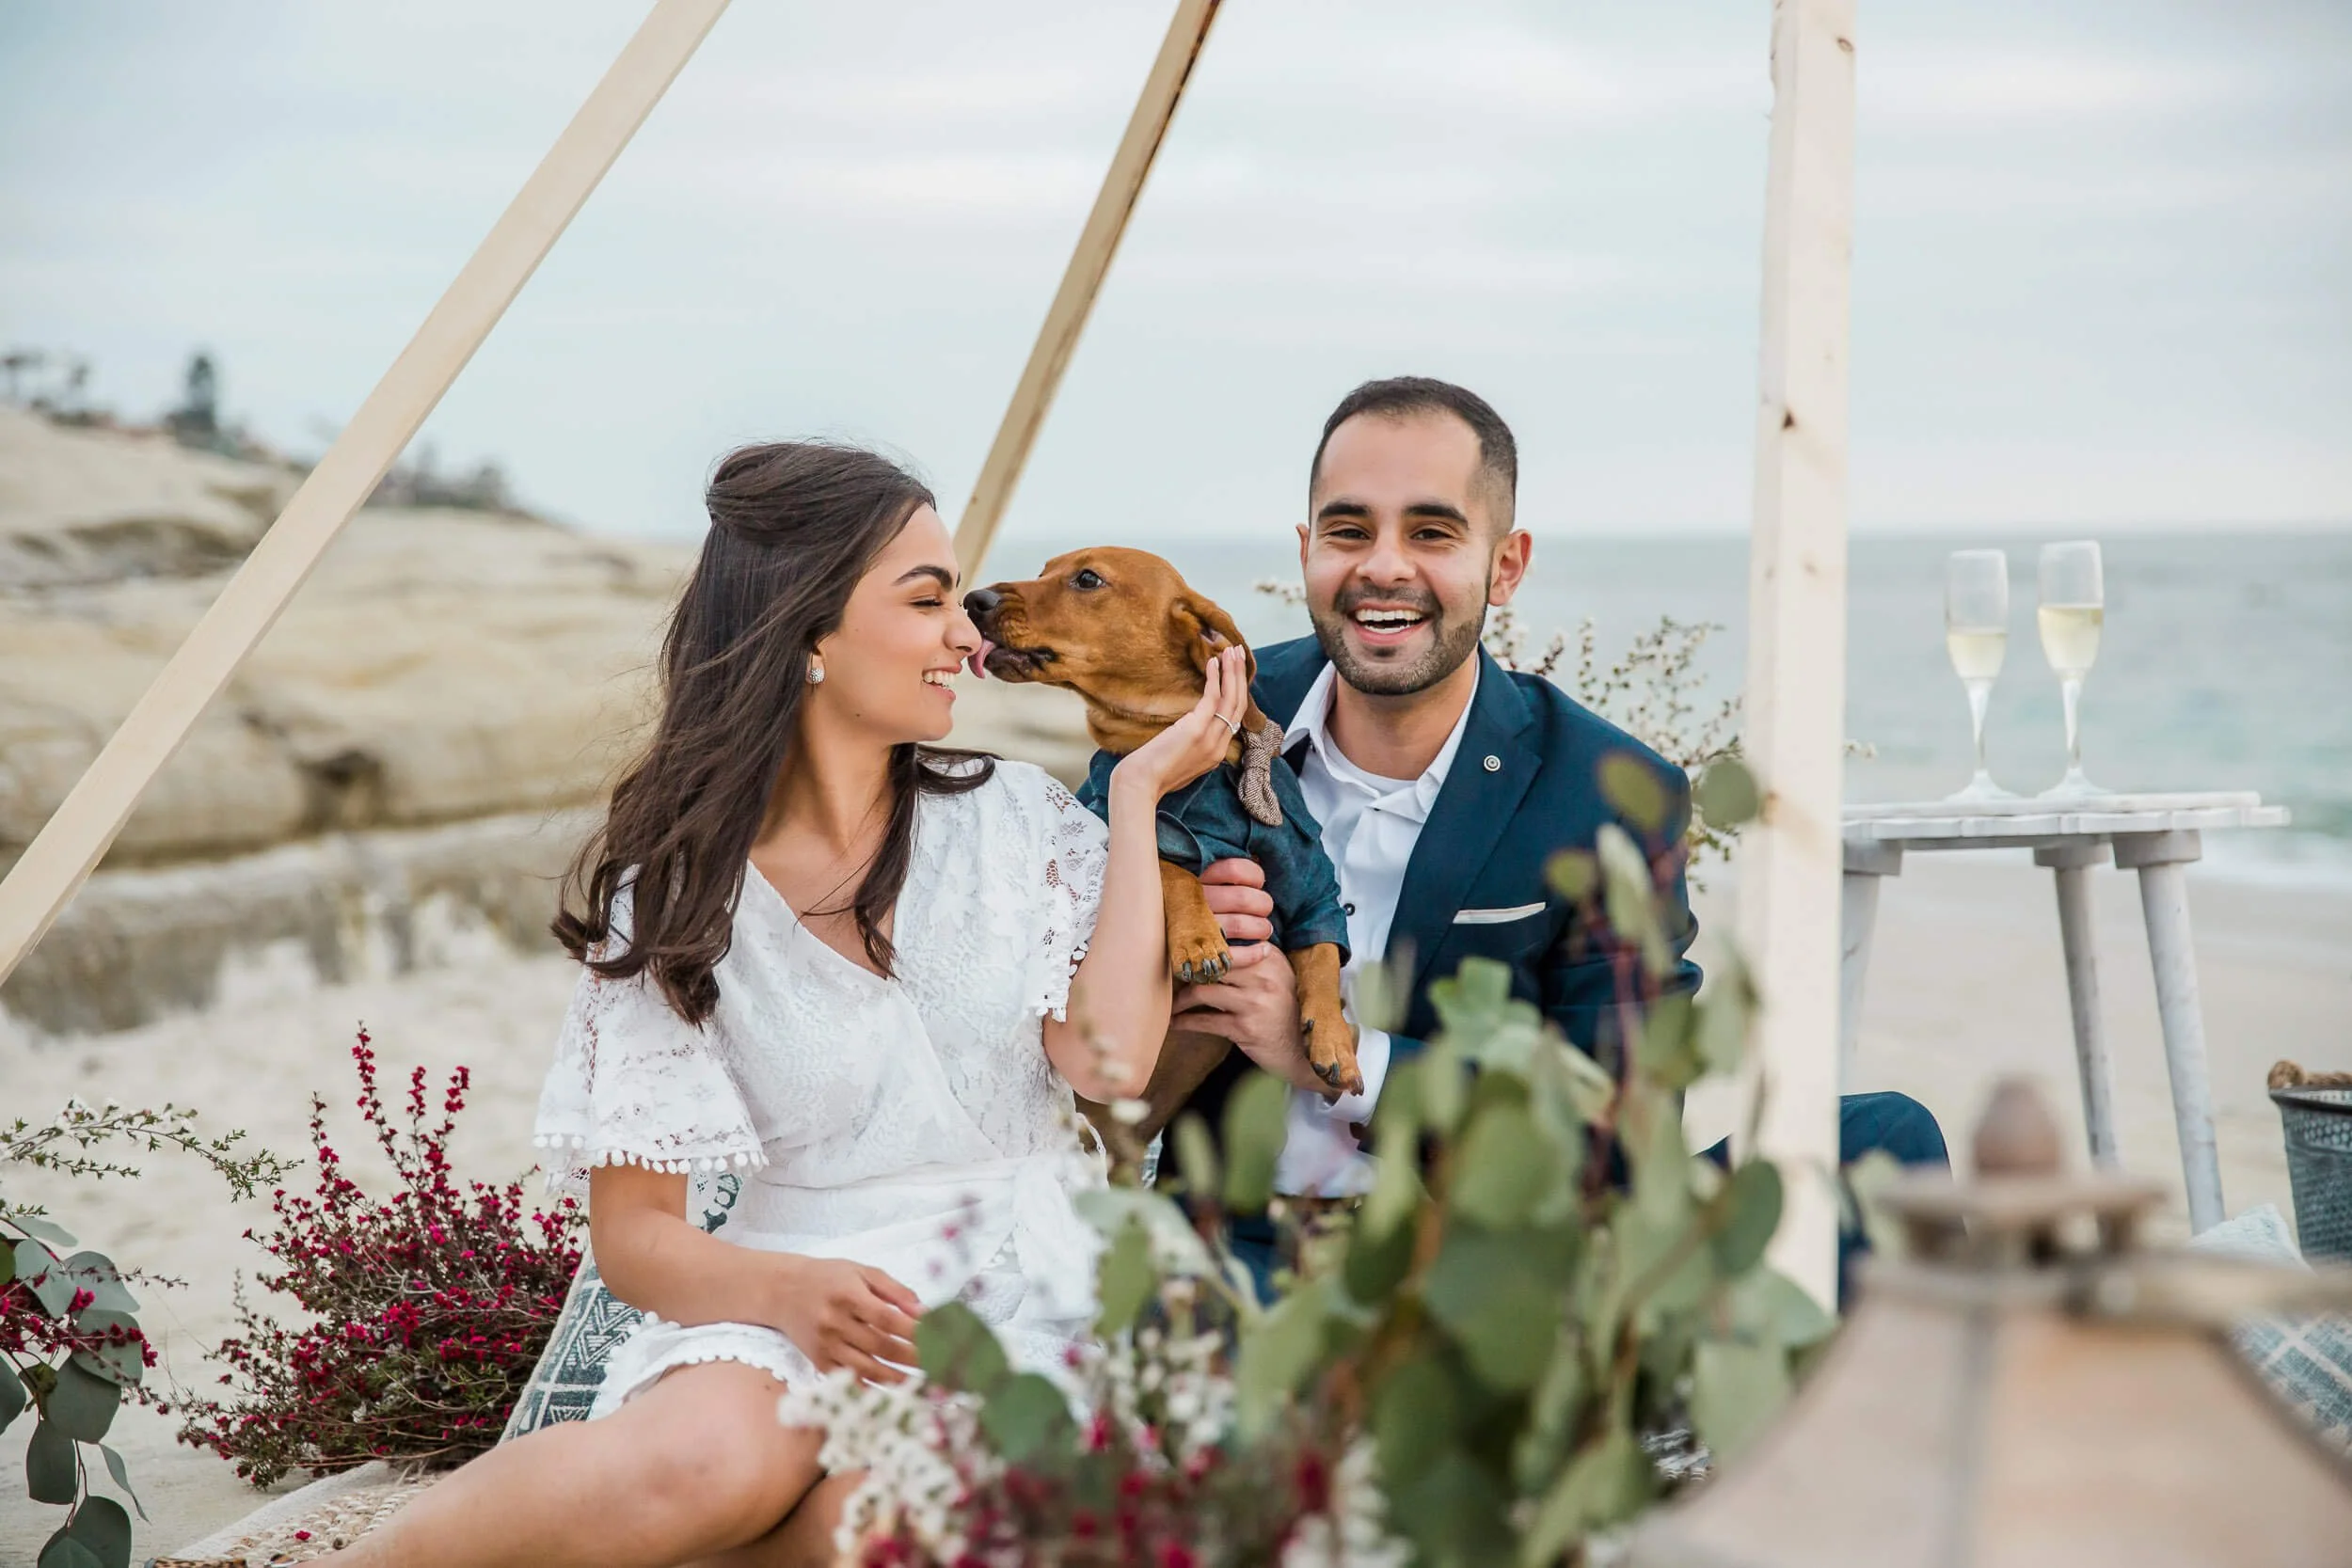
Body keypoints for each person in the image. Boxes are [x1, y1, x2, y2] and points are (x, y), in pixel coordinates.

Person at [330, 442, 1250, 1568]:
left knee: (880, 1519)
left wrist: (1144, 792)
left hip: (1015, 1287)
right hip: (783, 1287)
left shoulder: (1017, 817)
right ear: (809, 633)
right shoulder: (676, 886)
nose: (970, 632)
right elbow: (634, 1237)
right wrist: (788, 1291)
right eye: (927, 600)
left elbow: (1106, 1064)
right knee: (707, 1463)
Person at [1167, 376, 1948, 1296]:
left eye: (1430, 531)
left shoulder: (1603, 795)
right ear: (1306, 551)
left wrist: (1345, 1059)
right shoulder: (1202, 725)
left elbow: (1618, 1139)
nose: (1383, 566)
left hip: (1497, 1264)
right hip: (1245, 1248)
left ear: (1505, 564)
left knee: (1884, 1141)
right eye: (1348, 530)